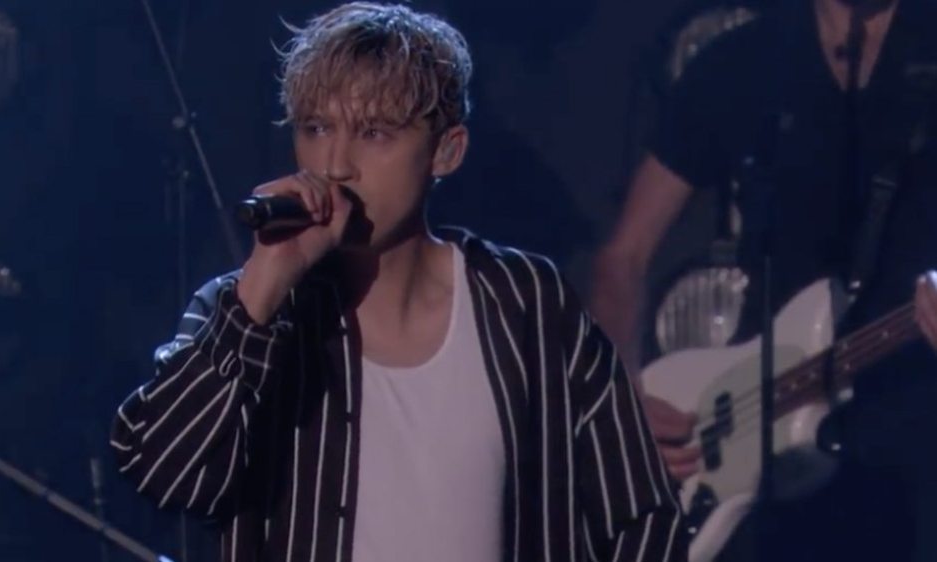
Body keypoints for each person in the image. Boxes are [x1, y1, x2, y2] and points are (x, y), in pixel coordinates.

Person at [110, 3, 685, 562]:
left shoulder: (528, 304)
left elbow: (641, 515)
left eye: (374, 133)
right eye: (316, 128)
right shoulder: (242, 309)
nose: (335, 165)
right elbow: (164, 475)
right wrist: (262, 288)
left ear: (447, 151)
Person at [590, 0, 937, 559]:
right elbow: (622, 256)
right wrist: (618, 394)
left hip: (916, 431)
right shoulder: (745, 60)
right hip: (762, 437)